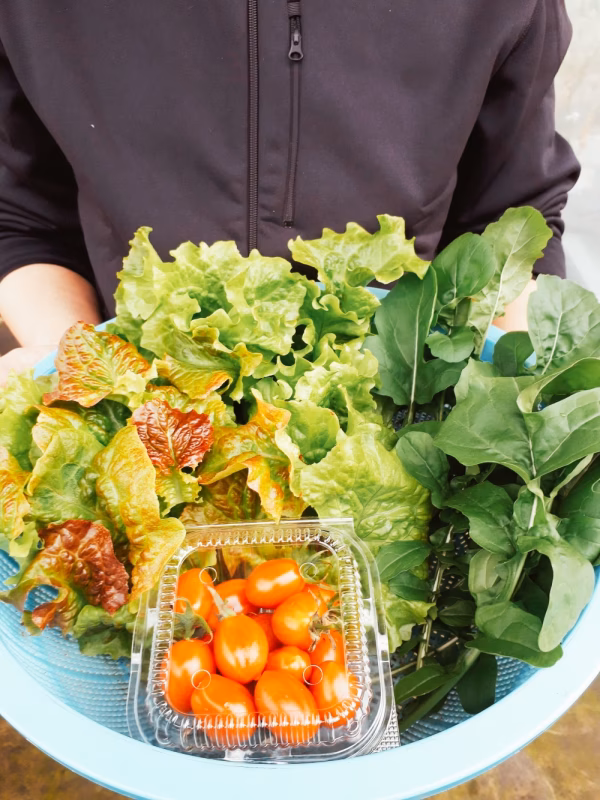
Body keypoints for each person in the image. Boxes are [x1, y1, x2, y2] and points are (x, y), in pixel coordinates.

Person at [0, 1, 579, 382]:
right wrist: (79, 372)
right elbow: (21, 214)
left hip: (405, 436)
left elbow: (510, 222)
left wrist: (520, 402)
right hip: (138, 408)